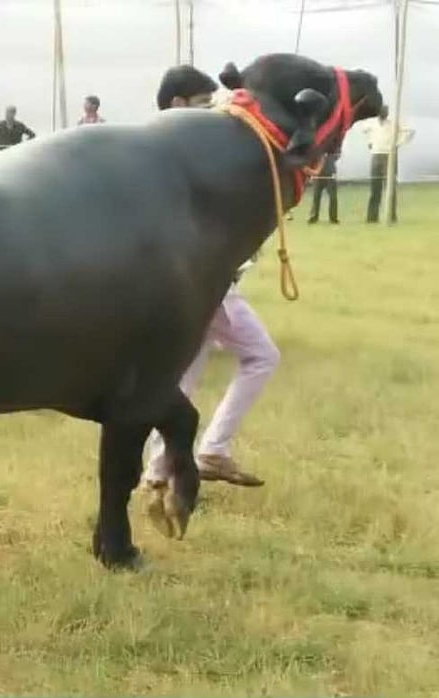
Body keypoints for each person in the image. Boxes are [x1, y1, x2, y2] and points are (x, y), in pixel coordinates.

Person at [140, 65, 280, 535]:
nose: (214, 114)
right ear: (179, 106)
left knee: (184, 375)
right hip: (205, 281)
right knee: (261, 356)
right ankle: (213, 449)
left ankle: (158, 471)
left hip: (182, 283)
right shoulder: (180, 156)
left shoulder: (149, 150)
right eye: (204, 104)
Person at [362, 105, 414, 223]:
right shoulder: (371, 122)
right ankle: (372, 218)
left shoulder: (393, 123)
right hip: (376, 155)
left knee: (390, 187)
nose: (384, 114)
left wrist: (397, 144)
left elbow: (410, 131)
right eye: (382, 112)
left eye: (385, 112)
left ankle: (391, 216)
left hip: (389, 156)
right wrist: (370, 142)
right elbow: (364, 131)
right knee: (375, 187)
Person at [307, 150, 340, 224]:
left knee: (333, 197)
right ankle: (313, 217)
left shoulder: (334, 143)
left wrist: (328, 157)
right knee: (316, 196)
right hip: (318, 173)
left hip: (330, 172)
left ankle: (333, 218)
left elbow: (337, 155)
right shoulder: (317, 143)